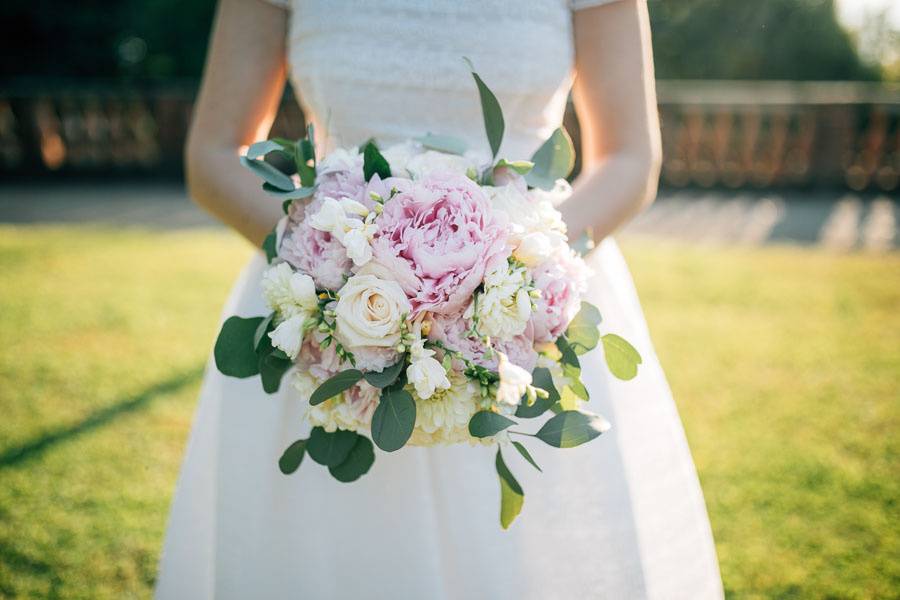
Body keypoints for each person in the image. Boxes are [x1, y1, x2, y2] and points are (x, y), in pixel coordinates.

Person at [156, 1, 724, 598]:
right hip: (328, 320)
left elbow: (630, 158)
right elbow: (214, 155)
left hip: (522, 329)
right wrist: (331, 270)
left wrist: (512, 275)